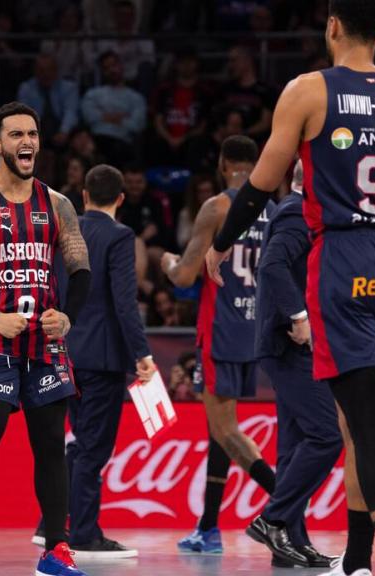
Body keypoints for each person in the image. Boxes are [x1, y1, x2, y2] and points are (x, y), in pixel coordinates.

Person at [205, 2, 375, 574]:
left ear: (333, 26)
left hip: (343, 257)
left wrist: (221, 243)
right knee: (354, 421)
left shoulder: (308, 90)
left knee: (365, 426)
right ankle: (357, 558)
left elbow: (262, 182)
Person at [0, 102, 92, 576]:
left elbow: (81, 268)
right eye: (17, 134)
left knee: (50, 444)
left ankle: (56, 547)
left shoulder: (58, 204)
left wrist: (66, 316)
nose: (27, 142)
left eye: (33, 133)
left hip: (45, 344)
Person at [161, 135, 278, 555]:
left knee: (226, 430)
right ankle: (208, 527)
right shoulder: (275, 209)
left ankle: (286, 504)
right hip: (258, 331)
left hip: (222, 329)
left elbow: (186, 277)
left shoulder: (218, 207)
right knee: (219, 429)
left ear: (224, 163)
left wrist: (166, 261)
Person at [55, 164, 155, 558]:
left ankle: (54, 521)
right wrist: (142, 355)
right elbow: (124, 302)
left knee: (79, 443)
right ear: (120, 198)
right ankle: (82, 534)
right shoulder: (120, 235)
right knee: (93, 448)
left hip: (64, 353)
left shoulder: (65, 231)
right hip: (103, 358)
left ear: (83, 196)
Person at [245, 163, 341, 568]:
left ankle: (290, 543)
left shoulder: (300, 211)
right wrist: (299, 318)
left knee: (293, 448)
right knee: (326, 436)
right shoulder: (296, 210)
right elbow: (271, 266)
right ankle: (273, 519)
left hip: (289, 344)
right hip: (289, 343)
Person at [81, 51, 147, 167]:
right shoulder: (93, 94)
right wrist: (121, 117)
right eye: (107, 68)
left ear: (121, 66)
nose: (112, 70)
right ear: (102, 72)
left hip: (123, 142)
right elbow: (90, 118)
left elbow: (137, 125)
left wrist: (105, 116)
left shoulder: (136, 98)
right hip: (98, 140)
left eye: (114, 65)